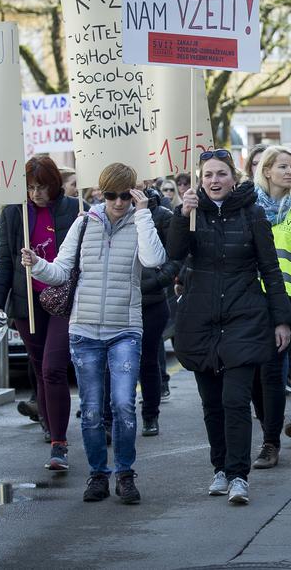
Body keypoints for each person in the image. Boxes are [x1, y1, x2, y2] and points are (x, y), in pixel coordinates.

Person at [23, 163, 165, 505]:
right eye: (112, 195)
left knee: (123, 405)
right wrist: (36, 264)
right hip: (84, 330)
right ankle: (98, 474)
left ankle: (126, 474)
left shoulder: (141, 220)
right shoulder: (85, 222)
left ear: (134, 193)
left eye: (125, 195)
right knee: (90, 409)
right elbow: (60, 271)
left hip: (125, 330)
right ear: (101, 193)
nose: (118, 202)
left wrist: (143, 214)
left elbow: (153, 259)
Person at [169, 149, 291, 505]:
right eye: (208, 175)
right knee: (212, 403)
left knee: (235, 399)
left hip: (245, 318)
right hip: (200, 320)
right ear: (200, 179)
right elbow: (174, 253)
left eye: (221, 174)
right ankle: (220, 468)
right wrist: (182, 214)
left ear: (233, 177)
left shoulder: (253, 213)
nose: (214, 181)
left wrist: (281, 319)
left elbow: (271, 269)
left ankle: (239, 474)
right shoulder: (192, 214)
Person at [0, 156, 79, 469]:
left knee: (54, 368)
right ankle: (49, 421)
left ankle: (59, 443)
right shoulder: (13, 213)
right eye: (30, 187)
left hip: (63, 299)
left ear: (55, 184)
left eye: (42, 187)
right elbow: (4, 262)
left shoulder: (72, 209)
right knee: (40, 369)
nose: (36, 193)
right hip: (27, 302)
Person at [247, 146, 291, 465]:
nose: (290, 172)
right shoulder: (247, 205)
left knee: (273, 372)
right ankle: (267, 426)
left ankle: (270, 442)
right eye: (283, 166)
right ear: (267, 170)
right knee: (254, 377)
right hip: (249, 299)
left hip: (289, 299)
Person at [102, 186, 179, 438]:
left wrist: (156, 281)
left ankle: (150, 415)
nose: (119, 200)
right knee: (111, 363)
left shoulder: (161, 215)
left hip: (151, 301)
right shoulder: (106, 214)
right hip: (117, 301)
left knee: (148, 360)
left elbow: (174, 258)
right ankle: (109, 419)